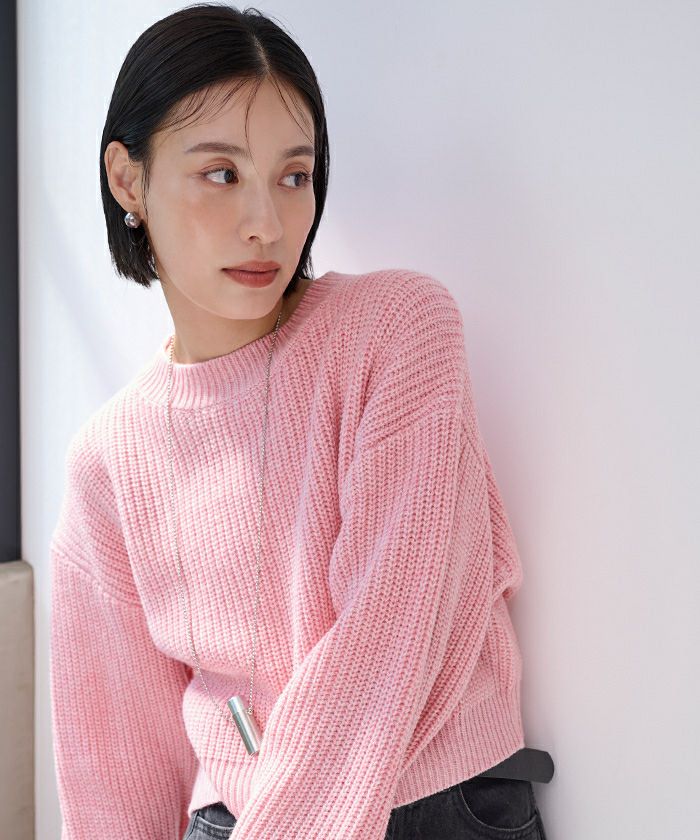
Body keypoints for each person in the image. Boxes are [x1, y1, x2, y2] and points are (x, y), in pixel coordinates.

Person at [49, 4, 548, 839]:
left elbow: (388, 636)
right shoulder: (110, 458)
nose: (267, 223)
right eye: (221, 173)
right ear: (128, 180)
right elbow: (113, 770)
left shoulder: (397, 330)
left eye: (294, 176)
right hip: (235, 819)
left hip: (437, 811)